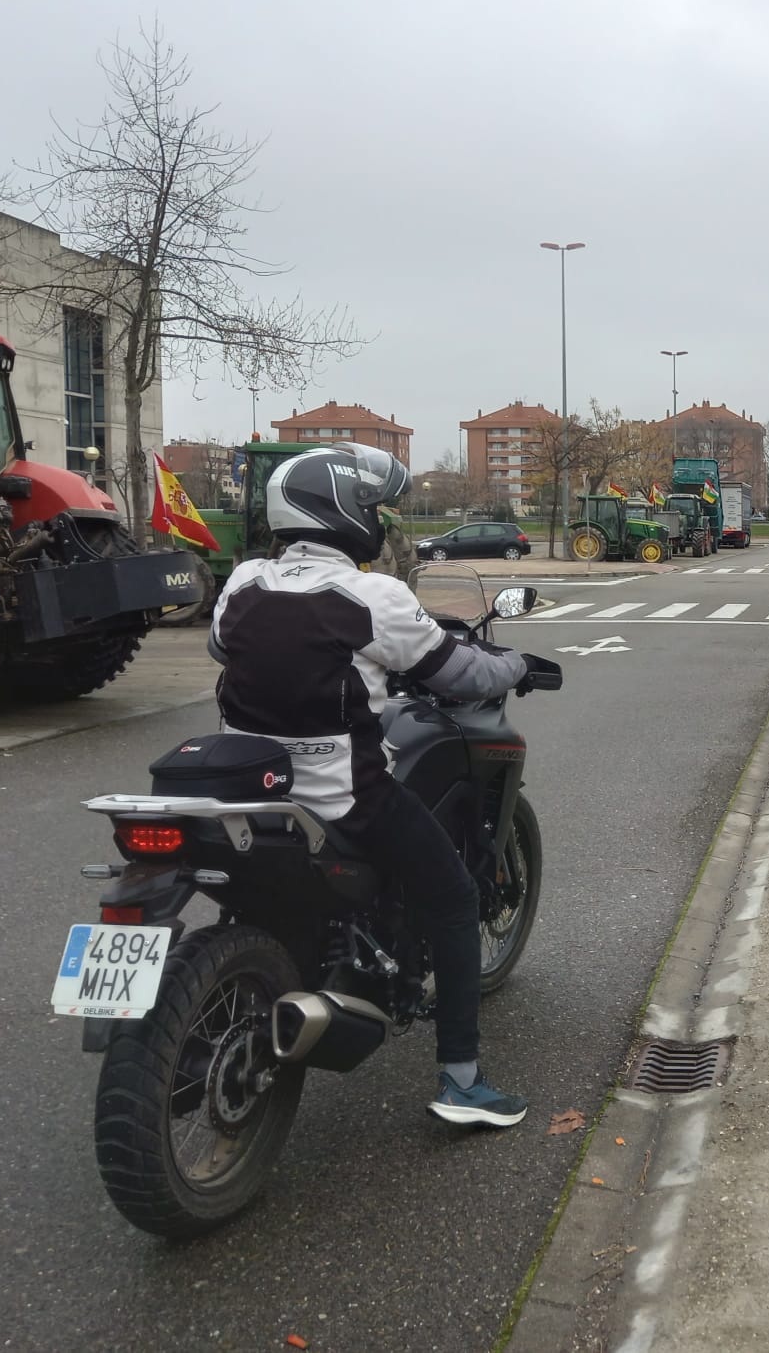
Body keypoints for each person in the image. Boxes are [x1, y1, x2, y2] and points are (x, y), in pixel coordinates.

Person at [208, 442, 532, 1127]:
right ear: (343, 512)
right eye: (373, 509)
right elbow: (458, 674)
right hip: (342, 797)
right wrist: (511, 665)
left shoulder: (241, 584)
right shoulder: (373, 596)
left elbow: (225, 647)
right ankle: (463, 1082)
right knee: (452, 895)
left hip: (247, 792)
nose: (380, 522)